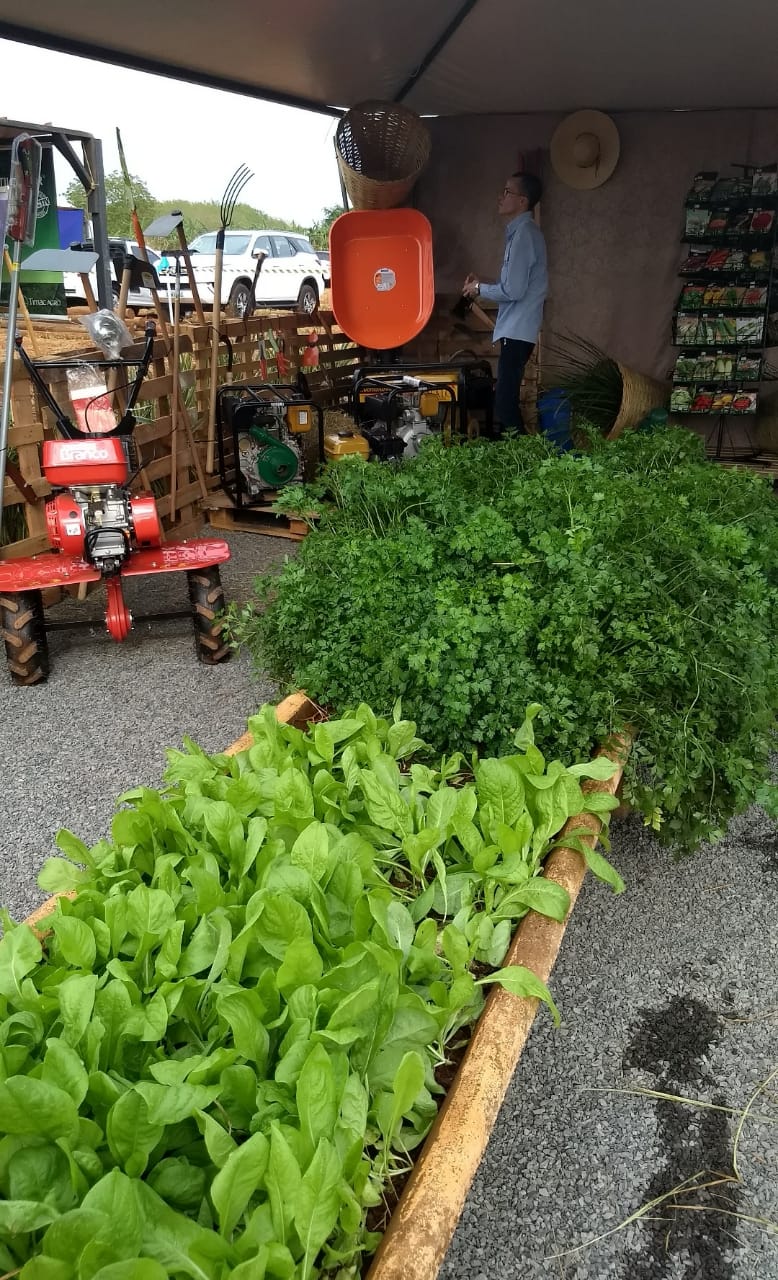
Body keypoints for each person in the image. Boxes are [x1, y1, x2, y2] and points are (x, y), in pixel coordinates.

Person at [463, 172, 548, 435]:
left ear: (522, 201)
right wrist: (483, 282)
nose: (500, 197)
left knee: (504, 404)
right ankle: (523, 453)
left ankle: (525, 455)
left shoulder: (524, 235)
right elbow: (514, 284)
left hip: (517, 330)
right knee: (504, 399)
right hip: (517, 329)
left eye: (507, 192)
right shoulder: (521, 233)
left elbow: (513, 290)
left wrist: (478, 289)